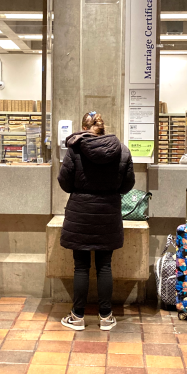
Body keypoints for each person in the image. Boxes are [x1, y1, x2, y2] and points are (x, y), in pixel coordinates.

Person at [58, 112, 134, 332]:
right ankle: (106, 317)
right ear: (103, 127)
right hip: (108, 212)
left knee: (81, 267)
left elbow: (65, 182)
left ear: (83, 127)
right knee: (105, 266)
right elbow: (127, 184)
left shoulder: (74, 149)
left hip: (80, 213)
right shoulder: (122, 150)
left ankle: (78, 316)